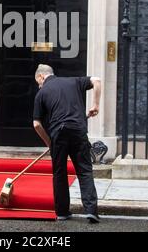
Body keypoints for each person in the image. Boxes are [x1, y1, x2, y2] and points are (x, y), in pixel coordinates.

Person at [33, 64, 101, 224]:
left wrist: (50, 143)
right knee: (84, 171)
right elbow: (97, 80)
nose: (39, 86)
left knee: (59, 173)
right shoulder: (73, 81)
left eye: (38, 82)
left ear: (42, 77)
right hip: (78, 130)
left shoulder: (42, 93)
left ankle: (62, 212)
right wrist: (95, 105)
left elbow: (36, 124)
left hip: (59, 134)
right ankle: (91, 211)